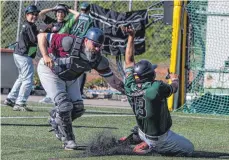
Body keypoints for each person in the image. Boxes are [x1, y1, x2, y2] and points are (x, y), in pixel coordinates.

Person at [37, 28, 125, 150]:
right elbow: (41, 36)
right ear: (86, 41)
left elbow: (113, 81)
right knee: (64, 106)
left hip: (71, 77)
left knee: (78, 109)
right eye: (95, 45)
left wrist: (128, 92)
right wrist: (46, 56)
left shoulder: (97, 59)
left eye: (100, 46)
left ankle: (55, 119)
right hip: (51, 72)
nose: (98, 49)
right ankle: (68, 140)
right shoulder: (68, 42)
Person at [123, 26, 194, 156]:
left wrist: (131, 37)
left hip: (143, 129)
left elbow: (129, 61)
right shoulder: (156, 88)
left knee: (142, 128)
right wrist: (175, 79)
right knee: (189, 148)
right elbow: (174, 88)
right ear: (150, 75)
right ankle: (150, 147)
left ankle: (137, 137)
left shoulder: (129, 85)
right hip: (158, 138)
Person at [38, 3, 80, 104]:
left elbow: (77, 14)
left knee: (61, 74)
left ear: (65, 14)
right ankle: (50, 94)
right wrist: (53, 8)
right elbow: (41, 14)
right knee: (50, 73)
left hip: (63, 53)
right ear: (55, 14)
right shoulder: (51, 23)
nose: (60, 14)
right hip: (51, 52)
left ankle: (61, 94)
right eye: (58, 12)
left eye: (62, 13)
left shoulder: (67, 23)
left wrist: (67, 9)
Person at [4, 5, 40, 111]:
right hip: (23, 55)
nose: (34, 16)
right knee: (28, 79)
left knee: (21, 78)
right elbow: (34, 40)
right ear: (26, 15)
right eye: (32, 14)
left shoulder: (28, 25)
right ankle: (20, 103)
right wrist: (43, 31)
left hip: (19, 54)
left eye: (36, 14)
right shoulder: (29, 26)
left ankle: (10, 98)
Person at [70, 2, 94, 98]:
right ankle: (79, 92)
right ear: (89, 10)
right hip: (81, 43)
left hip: (71, 41)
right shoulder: (90, 19)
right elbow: (90, 33)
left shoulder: (76, 16)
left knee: (69, 65)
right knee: (81, 68)